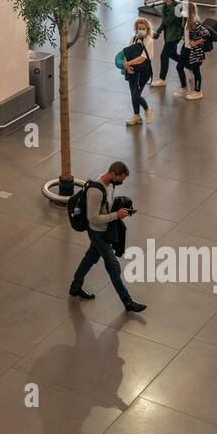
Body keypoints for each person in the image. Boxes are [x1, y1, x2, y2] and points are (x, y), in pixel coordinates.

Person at [68, 161, 144, 312]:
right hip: (97, 232)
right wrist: (116, 215)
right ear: (113, 174)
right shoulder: (96, 191)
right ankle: (127, 302)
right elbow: (93, 218)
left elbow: (106, 206)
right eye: (121, 179)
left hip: (103, 229)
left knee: (91, 257)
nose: (122, 182)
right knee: (113, 267)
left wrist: (119, 209)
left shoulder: (110, 184)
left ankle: (75, 287)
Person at [122, 18, 155, 126]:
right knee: (133, 94)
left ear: (147, 29)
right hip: (132, 69)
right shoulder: (133, 38)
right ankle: (137, 116)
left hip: (144, 71)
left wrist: (128, 64)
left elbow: (142, 58)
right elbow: (126, 53)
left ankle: (147, 110)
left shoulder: (149, 40)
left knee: (136, 95)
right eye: (139, 28)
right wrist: (127, 66)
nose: (141, 30)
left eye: (143, 28)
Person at [174, 2, 209, 101]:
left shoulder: (194, 22)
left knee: (196, 70)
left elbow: (206, 34)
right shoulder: (186, 21)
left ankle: (198, 92)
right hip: (186, 48)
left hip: (194, 51)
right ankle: (184, 88)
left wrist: (196, 42)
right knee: (179, 67)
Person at [150, 0, 182, 89]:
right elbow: (164, 20)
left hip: (174, 35)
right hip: (168, 34)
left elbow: (166, 22)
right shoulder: (165, 6)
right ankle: (189, 65)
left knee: (164, 56)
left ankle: (162, 79)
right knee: (172, 54)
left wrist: (158, 32)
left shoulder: (174, 8)